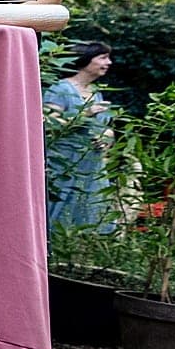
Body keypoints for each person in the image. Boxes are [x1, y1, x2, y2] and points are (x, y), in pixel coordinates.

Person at [44, 41, 115, 231]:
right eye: (103, 58)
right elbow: (50, 125)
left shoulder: (96, 93)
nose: (108, 63)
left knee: (91, 209)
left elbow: (106, 128)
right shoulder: (60, 89)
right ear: (85, 60)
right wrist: (86, 114)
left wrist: (106, 138)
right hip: (65, 164)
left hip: (92, 164)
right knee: (58, 209)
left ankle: (84, 251)